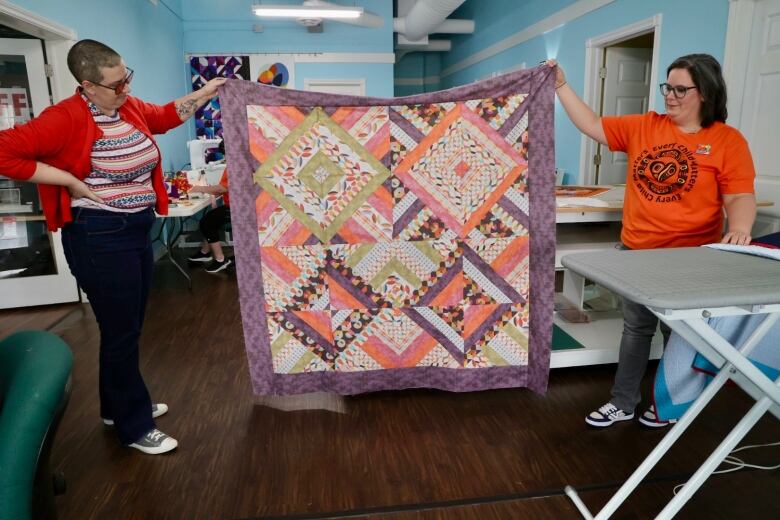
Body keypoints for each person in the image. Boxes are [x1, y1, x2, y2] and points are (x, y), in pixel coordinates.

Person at [0, 39, 226, 454]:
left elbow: (161, 117)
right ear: (87, 85)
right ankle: (133, 426)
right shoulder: (63, 118)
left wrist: (202, 93)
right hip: (99, 235)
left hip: (135, 228)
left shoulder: (128, 107)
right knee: (122, 332)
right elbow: (3, 151)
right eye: (116, 84)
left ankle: (116, 407)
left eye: (127, 78)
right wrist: (67, 180)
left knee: (125, 328)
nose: (125, 89)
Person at [548, 54, 757, 428]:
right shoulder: (646, 126)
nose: (670, 96)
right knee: (636, 330)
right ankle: (623, 402)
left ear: (705, 93)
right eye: (668, 87)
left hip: (690, 259)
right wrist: (561, 85)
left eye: (680, 89)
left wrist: (740, 226)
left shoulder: (727, 140)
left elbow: (739, 195)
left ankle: (670, 407)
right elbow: (593, 124)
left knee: (681, 337)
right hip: (637, 253)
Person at [187, 140, 233, 273]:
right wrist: (207, 190)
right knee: (211, 218)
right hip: (241, 207)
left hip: (235, 209)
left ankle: (220, 260)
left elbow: (221, 189)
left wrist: (198, 188)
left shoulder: (233, 166)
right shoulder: (238, 163)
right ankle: (205, 252)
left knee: (206, 223)